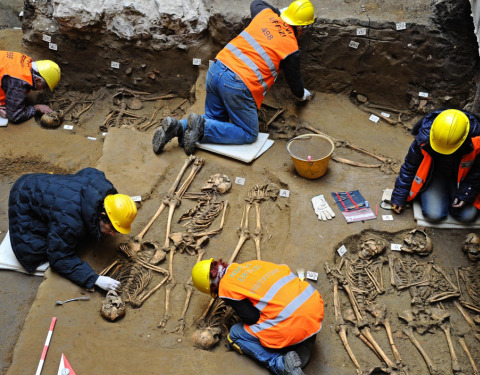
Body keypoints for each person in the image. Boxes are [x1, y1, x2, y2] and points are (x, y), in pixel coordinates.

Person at [153, 0, 316, 155]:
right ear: (301, 28)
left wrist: (278, 14)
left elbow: (257, 2)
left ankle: (177, 127)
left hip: (216, 69)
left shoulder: (265, 14)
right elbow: (295, 84)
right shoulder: (291, 49)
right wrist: (304, 95)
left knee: (214, 119)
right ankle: (202, 127)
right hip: (238, 85)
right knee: (249, 133)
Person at [8, 168, 137, 291]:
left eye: (117, 230)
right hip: (22, 198)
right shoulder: (70, 222)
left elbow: (89, 171)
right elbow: (58, 258)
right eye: (112, 228)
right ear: (102, 216)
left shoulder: (102, 190)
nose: (113, 234)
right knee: (31, 252)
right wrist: (94, 279)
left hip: (41, 185)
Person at [192, 258, 324, 375]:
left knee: (235, 334)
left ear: (211, 287)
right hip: (314, 306)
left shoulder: (226, 288)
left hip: (293, 322)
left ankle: (281, 365)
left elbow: (251, 318)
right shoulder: (252, 264)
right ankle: (305, 340)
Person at [391, 108, 480, 223]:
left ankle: (445, 197)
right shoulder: (424, 137)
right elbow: (409, 167)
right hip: (435, 176)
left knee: (467, 216)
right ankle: (430, 193)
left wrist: (465, 194)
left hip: (463, 179)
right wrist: (399, 197)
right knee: (434, 215)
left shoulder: (479, 141)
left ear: (463, 139)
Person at [0, 50, 60, 124]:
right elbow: (14, 116)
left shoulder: (25, 60)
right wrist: (37, 107)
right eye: (44, 86)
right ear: (37, 80)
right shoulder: (20, 82)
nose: (42, 89)